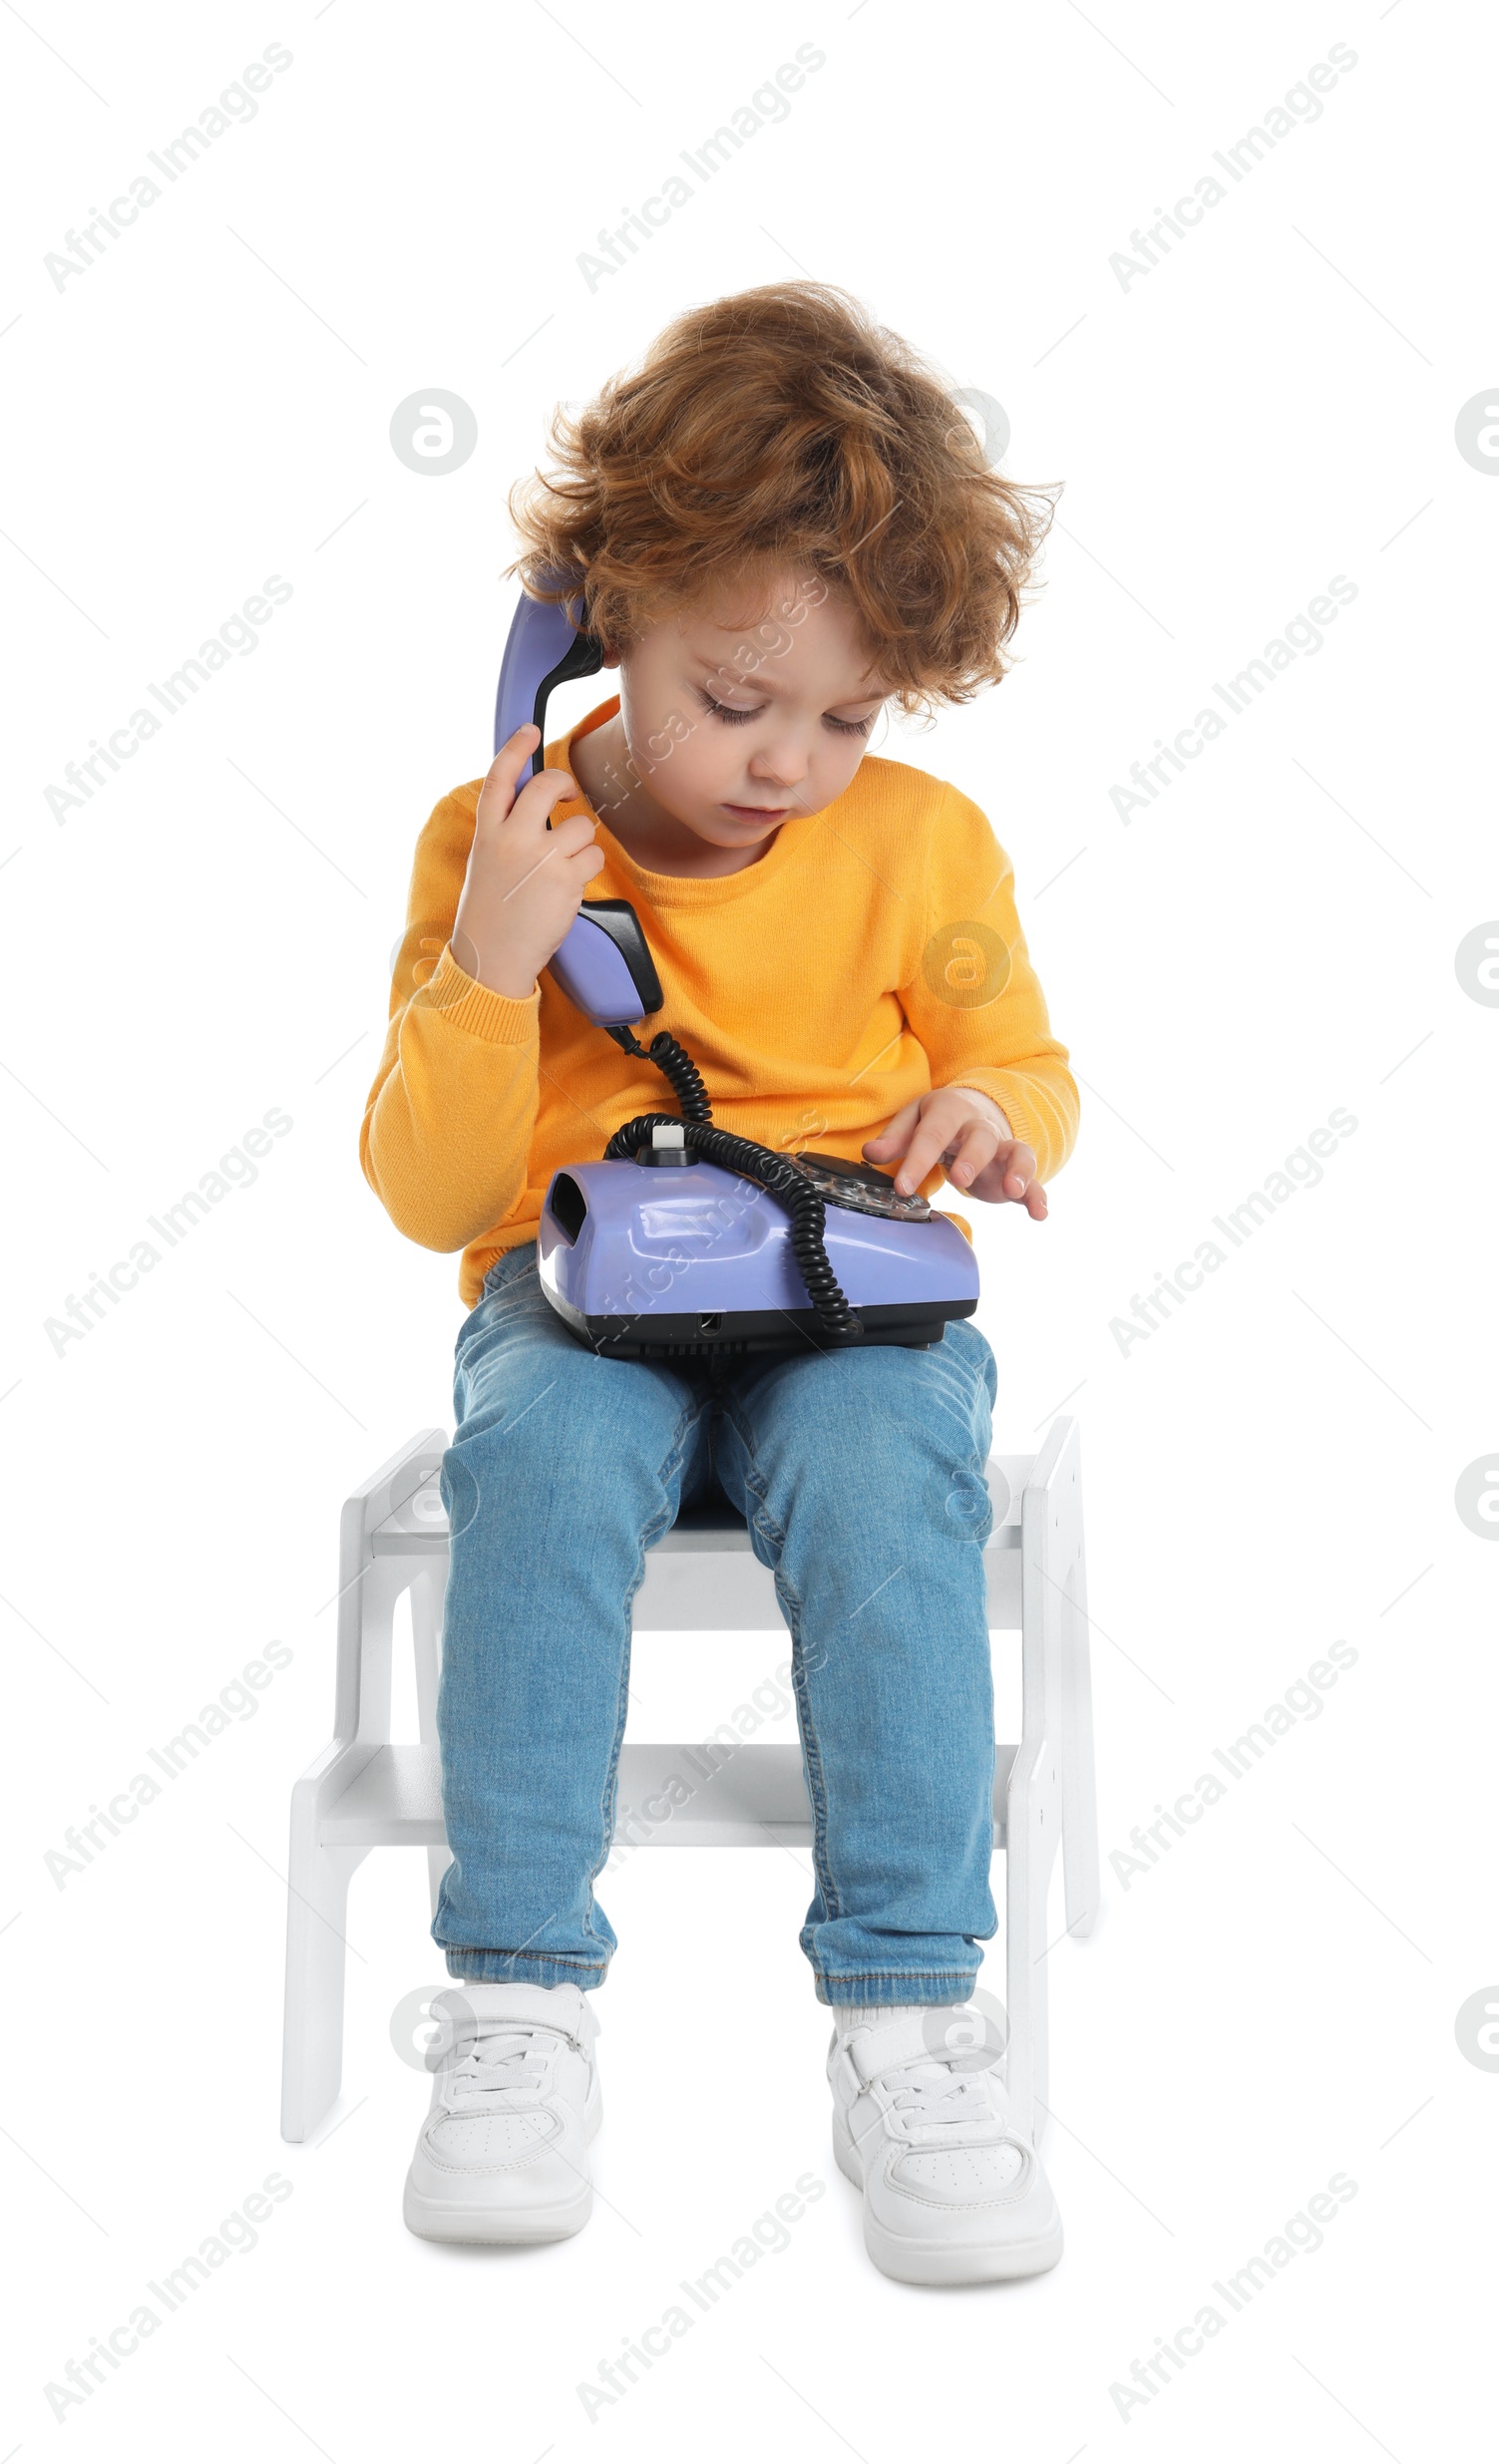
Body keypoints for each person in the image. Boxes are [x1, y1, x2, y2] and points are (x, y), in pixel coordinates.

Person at [360, 280, 1078, 2285]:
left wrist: (991, 1121)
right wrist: (497, 959)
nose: (785, 765)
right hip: (579, 1301)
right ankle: (514, 2003)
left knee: (873, 1475)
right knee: (545, 1465)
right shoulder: (492, 837)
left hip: (841, 1300)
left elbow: (1017, 1059)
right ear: (592, 620)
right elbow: (430, 1196)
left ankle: (914, 2020)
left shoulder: (919, 847)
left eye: (843, 717)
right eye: (731, 699)